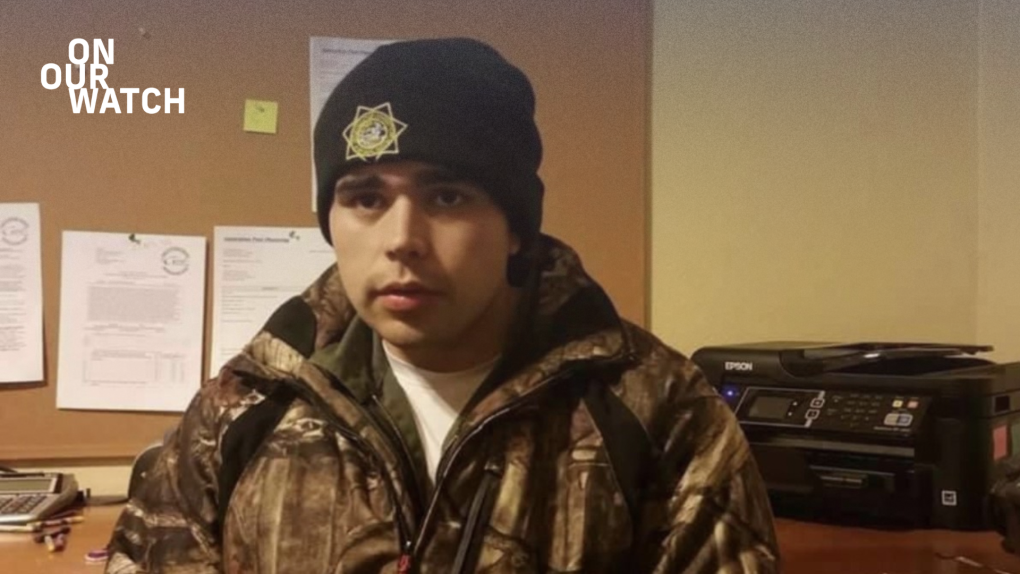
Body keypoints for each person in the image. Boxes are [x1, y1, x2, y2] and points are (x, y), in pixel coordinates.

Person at [106, 37, 778, 573]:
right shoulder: (245, 409)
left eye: (448, 196)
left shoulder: (658, 414)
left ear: (516, 224)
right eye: (365, 197)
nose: (402, 240)